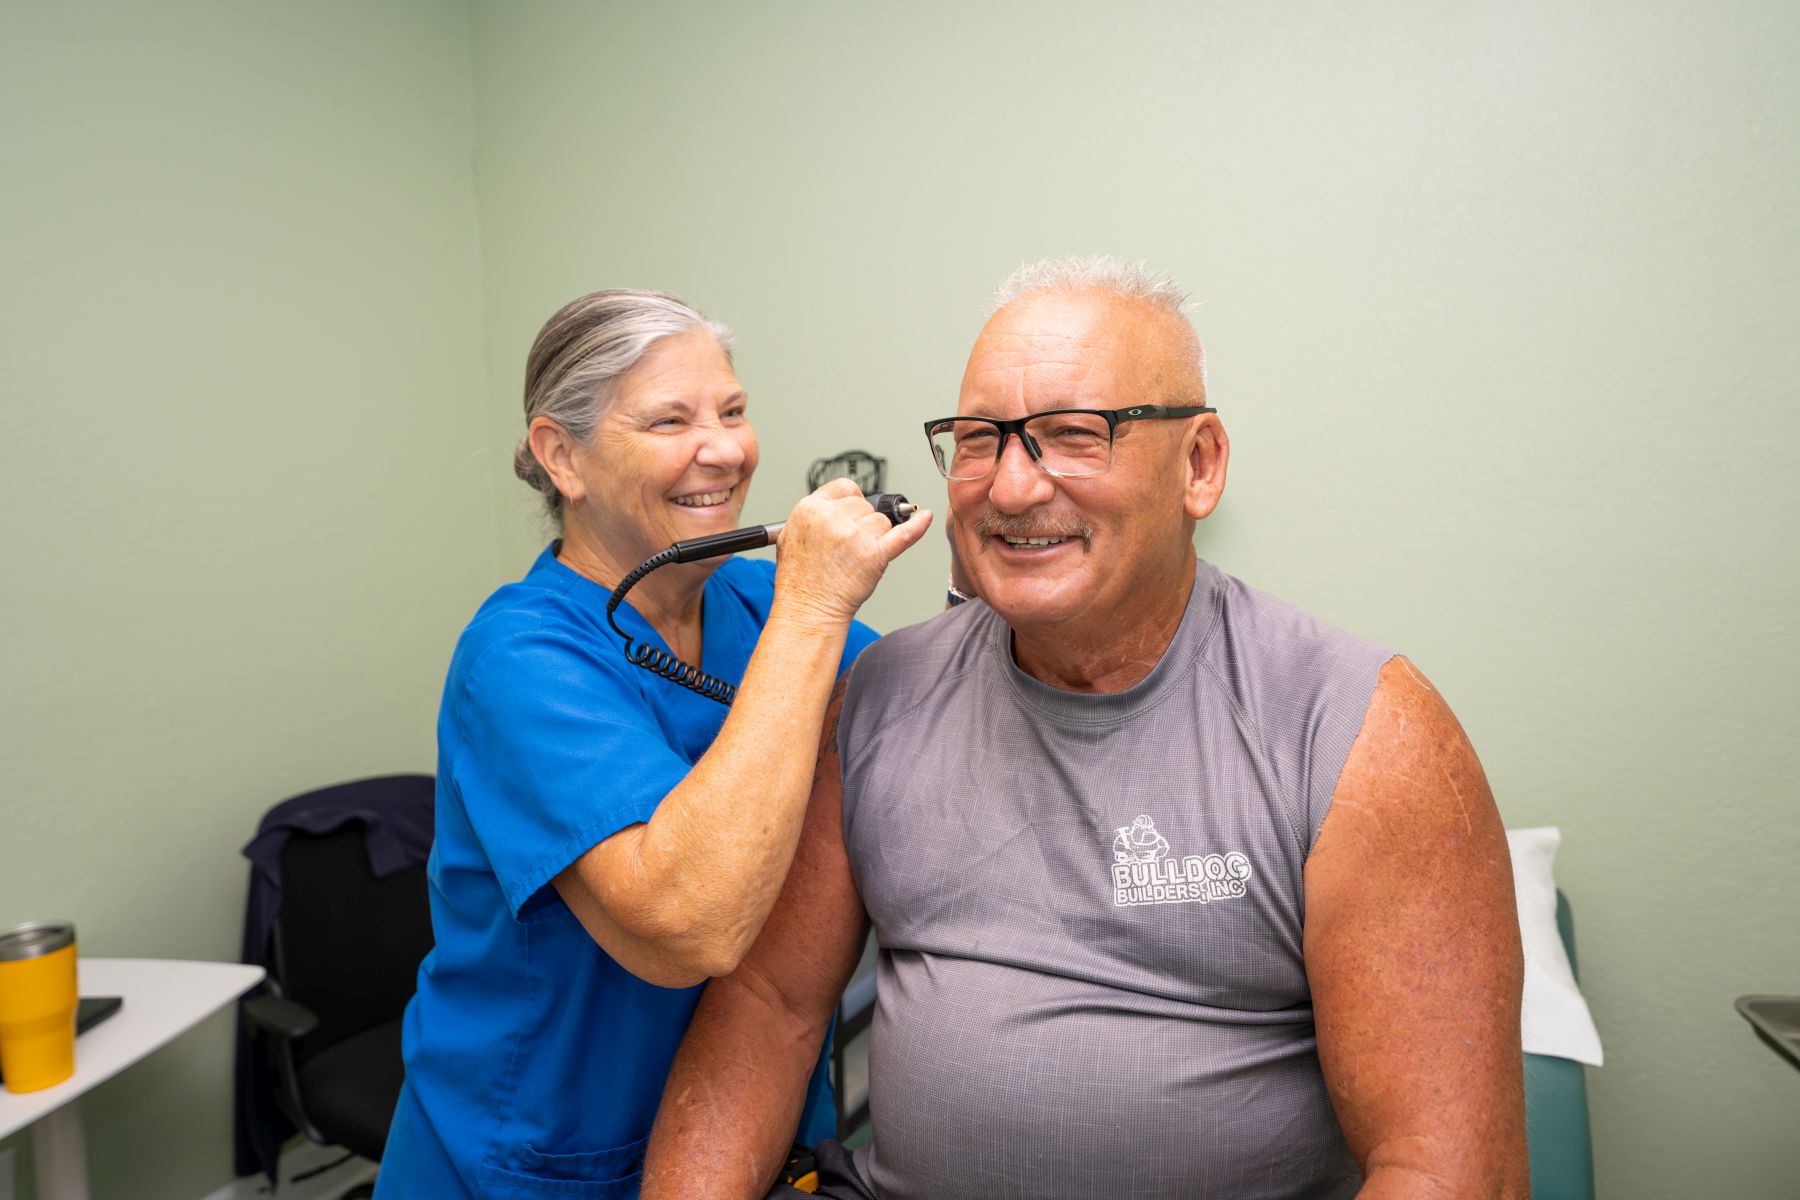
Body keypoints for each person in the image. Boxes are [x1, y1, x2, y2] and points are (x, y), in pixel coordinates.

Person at [641, 258, 1527, 1200]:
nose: (1013, 489)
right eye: (980, 441)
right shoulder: (881, 697)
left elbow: (1442, 1172)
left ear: (1199, 465)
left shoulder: (1357, 730)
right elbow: (768, 1007)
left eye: (1074, 436)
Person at [375, 289, 932, 1198]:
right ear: (564, 456)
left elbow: (925, 714)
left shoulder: (762, 608)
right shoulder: (519, 656)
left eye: (734, 411)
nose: (723, 448)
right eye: (670, 420)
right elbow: (689, 927)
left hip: (751, 1136)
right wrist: (816, 606)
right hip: (538, 1154)